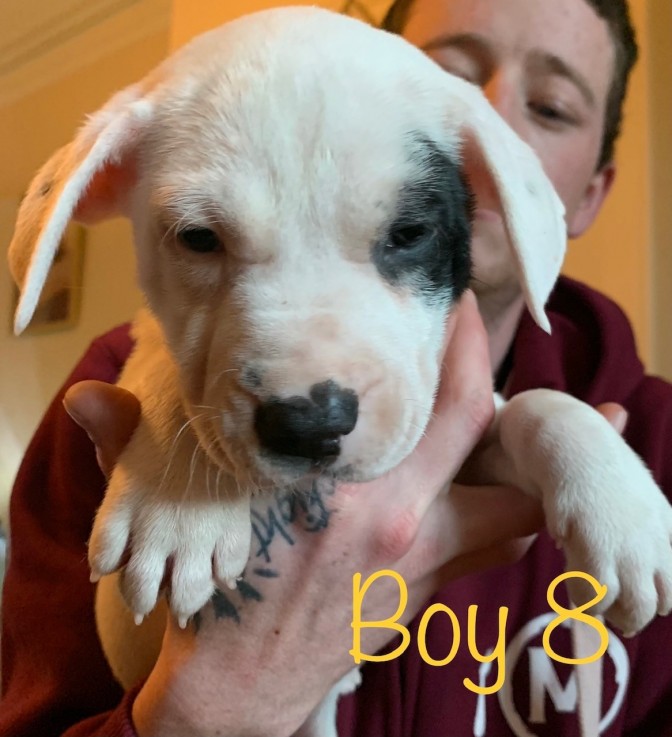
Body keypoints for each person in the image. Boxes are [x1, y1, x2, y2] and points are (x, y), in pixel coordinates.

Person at [2, 1, 670, 736]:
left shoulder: (657, 431)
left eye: (549, 106)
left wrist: (556, 432)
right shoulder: (102, 403)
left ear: (585, 194)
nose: (496, 118)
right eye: (201, 236)